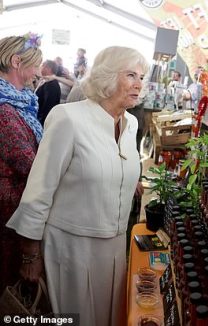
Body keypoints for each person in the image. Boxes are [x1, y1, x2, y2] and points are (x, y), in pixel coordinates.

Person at [7, 46, 148, 326]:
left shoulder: (130, 123)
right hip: (72, 249)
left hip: (116, 248)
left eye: (142, 77)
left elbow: (111, 165)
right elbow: (39, 191)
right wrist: (29, 255)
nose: (139, 84)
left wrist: (126, 180)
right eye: (131, 75)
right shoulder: (68, 118)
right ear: (107, 77)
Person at [0, 33, 43, 293]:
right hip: (8, 213)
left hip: (15, 210)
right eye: (36, 64)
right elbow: (31, 165)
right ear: (17, 61)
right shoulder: (4, 110)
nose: (39, 72)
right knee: (10, 286)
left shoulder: (18, 103)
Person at [36, 60, 61, 125]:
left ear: (48, 69)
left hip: (42, 120)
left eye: (42, 65)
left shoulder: (52, 84)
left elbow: (48, 106)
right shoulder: (45, 81)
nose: (40, 67)